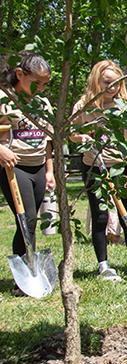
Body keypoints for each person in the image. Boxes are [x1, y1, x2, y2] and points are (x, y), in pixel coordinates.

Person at [70, 60, 127, 282]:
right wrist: (80, 137)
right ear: (96, 81)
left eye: (116, 83)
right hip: (94, 165)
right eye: (107, 83)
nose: (112, 87)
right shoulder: (84, 104)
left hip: (119, 166)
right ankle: (103, 265)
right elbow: (72, 132)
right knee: (100, 215)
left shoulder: (124, 106)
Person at [0, 53, 55, 296]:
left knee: (31, 222)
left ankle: (31, 269)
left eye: (45, 84)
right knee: (27, 218)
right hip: (14, 167)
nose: (41, 88)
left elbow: (49, 141)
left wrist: (50, 170)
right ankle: (23, 277)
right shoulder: (4, 100)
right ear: (20, 75)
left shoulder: (42, 104)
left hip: (38, 167)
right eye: (37, 83)